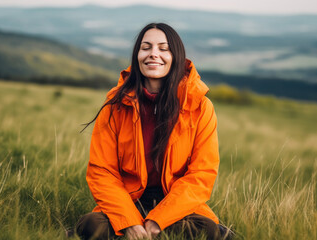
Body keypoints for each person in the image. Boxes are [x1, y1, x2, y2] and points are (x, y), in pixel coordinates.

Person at [75, 23, 233, 240]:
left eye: (163, 48)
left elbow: (201, 175)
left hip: (175, 205)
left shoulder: (200, 107)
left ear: (176, 56)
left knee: (208, 231)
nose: (153, 54)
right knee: (91, 225)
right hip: (128, 201)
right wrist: (129, 222)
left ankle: (150, 233)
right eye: (146, 47)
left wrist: (158, 220)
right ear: (137, 55)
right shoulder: (115, 105)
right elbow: (102, 172)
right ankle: (137, 232)